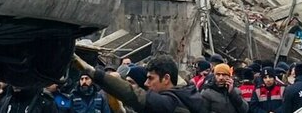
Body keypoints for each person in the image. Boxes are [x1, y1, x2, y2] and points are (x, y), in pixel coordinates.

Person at [73, 53, 205, 113]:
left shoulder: (168, 103)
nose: (146, 83)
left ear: (166, 78)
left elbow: (131, 94)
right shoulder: (191, 97)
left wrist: (93, 72)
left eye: (151, 78)